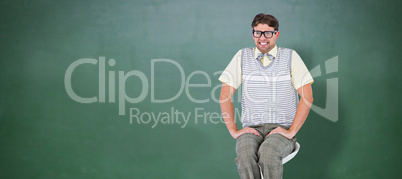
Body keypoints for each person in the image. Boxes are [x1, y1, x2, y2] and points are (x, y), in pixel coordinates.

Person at [219, 13, 314, 179]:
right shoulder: (242, 56)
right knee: (245, 156)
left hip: (281, 129)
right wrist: (234, 131)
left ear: (276, 34)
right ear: (252, 34)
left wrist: (291, 131)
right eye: (258, 33)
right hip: (252, 128)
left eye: (268, 33)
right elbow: (224, 96)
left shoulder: (291, 57)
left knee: (268, 153)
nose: (262, 38)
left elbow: (307, 98)